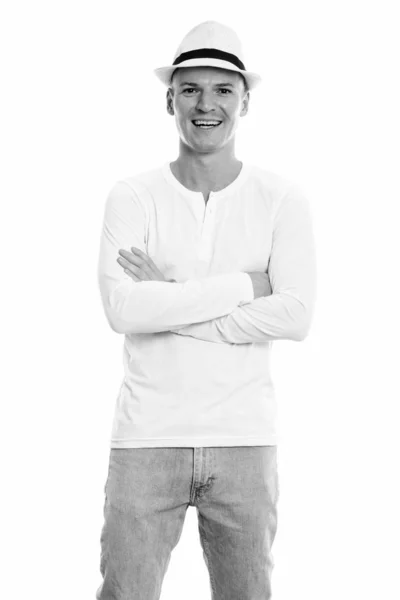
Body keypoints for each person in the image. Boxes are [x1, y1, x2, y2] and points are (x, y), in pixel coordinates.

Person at [96, 20, 317, 600]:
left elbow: (295, 316)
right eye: (190, 89)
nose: (206, 105)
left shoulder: (282, 200)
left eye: (223, 90)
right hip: (146, 439)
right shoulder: (132, 195)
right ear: (169, 99)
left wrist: (166, 297)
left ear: (247, 100)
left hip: (245, 438)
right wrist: (246, 285)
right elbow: (122, 310)